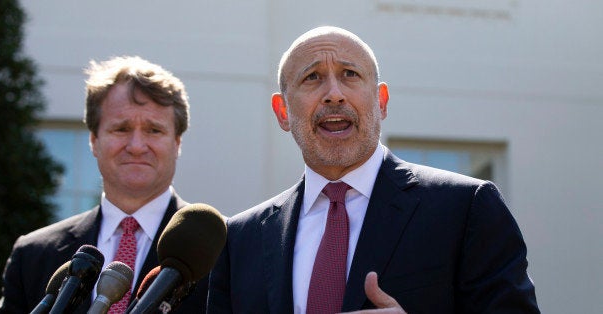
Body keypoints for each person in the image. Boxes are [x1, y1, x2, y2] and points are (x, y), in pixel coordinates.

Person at [207, 26, 540, 313]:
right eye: (312, 78)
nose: (334, 94)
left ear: (381, 101)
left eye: (350, 75)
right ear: (282, 111)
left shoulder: (466, 208)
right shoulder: (238, 240)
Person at [0, 56, 207, 313]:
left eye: (154, 130)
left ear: (177, 143)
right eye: (121, 129)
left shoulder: (224, 252)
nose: (137, 146)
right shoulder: (33, 255)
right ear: (94, 140)